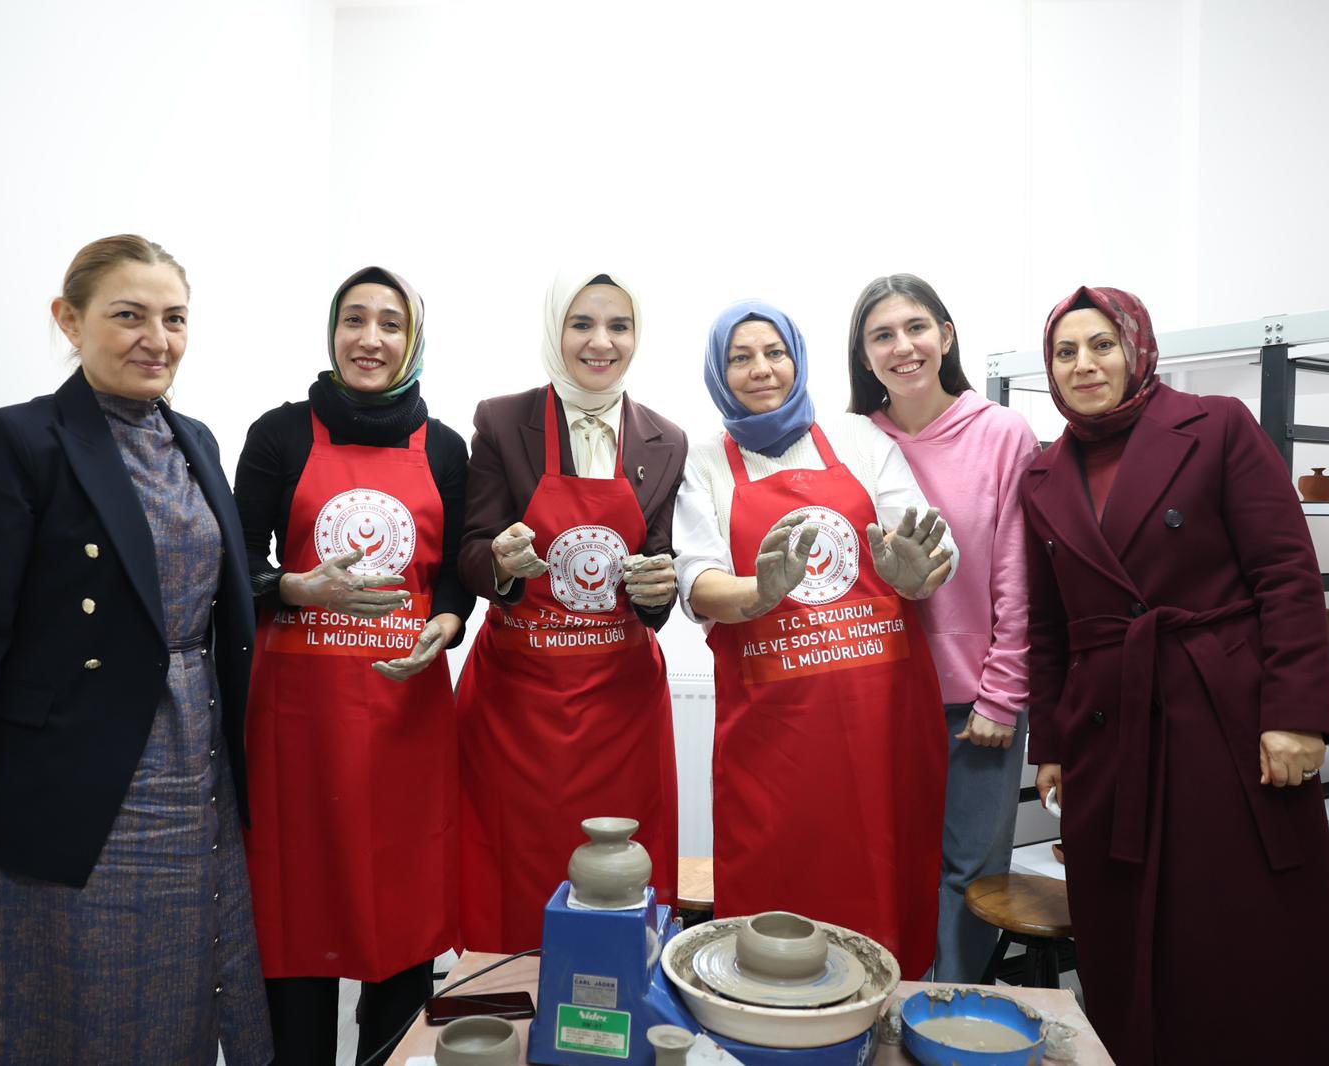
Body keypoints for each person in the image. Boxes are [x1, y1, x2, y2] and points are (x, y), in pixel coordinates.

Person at [0, 234, 272, 1064]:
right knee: (66, 990)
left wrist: (289, 587)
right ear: (69, 321)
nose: (158, 339)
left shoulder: (197, 439)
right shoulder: (18, 440)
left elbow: (207, 589)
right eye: (129, 316)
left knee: (182, 982)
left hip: (194, 759)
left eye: (174, 318)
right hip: (70, 766)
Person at [1023, 285, 1329, 1064]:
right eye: (1065, 352)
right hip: (1106, 735)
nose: (1084, 365)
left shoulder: (1216, 426)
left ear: (1136, 348)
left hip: (1225, 720)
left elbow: (1286, 573)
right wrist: (1050, 746)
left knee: (1244, 933)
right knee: (1125, 939)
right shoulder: (1042, 475)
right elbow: (1047, 629)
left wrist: (1297, 715)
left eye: (1102, 345)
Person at [234, 266, 474, 1065]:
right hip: (297, 722)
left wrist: (448, 620)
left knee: (400, 913)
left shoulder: (445, 447)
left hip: (406, 715)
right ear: (333, 331)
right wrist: (290, 586)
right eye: (355, 320)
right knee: (296, 911)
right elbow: (235, 561)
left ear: (414, 340)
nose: (370, 339)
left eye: (391, 324)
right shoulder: (279, 434)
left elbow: (454, 574)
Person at [675, 299, 956, 981]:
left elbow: (926, 543)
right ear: (717, 372)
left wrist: (915, 573)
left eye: (774, 353)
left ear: (797, 359)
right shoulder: (705, 462)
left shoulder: (858, 439)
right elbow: (697, 580)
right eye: (740, 358)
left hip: (881, 717)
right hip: (774, 736)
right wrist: (759, 593)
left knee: (887, 883)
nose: (761, 369)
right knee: (777, 892)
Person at [455, 271, 686, 952]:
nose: (600, 342)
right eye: (582, 323)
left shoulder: (667, 440)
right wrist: (501, 561)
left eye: (619, 326)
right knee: (513, 872)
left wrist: (659, 587)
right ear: (555, 330)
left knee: (618, 882)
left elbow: (661, 569)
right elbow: (472, 550)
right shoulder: (503, 421)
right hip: (517, 705)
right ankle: (507, 999)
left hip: (621, 708)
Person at [848, 274, 1040, 982]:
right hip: (877, 697)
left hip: (973, 704)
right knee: (879, 864)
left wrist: (1002, 697)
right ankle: (877, 1009)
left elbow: (1018, 575)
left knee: (969, 875)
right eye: (882, 336)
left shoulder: (1002, 434)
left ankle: (946, 1017)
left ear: (946, 336)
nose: (903, 347)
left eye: (916, 328)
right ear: (864, 356)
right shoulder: (850, 441)